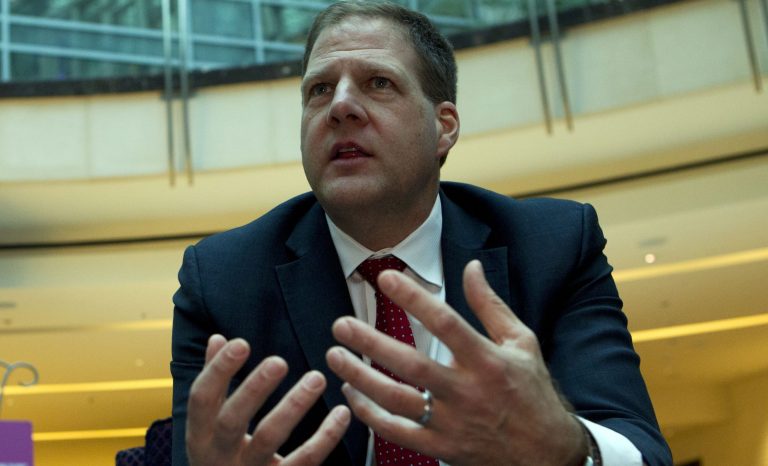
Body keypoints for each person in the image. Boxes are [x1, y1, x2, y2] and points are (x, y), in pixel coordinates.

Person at [170, 1, 672, 465]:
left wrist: (561, 444)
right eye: (319, 89)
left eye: (379, 83)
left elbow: (642, 450)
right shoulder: (220, 280)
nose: (340, 106)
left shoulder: (555, 245)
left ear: (445, 125)